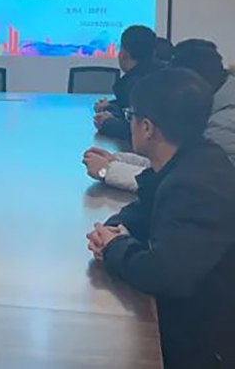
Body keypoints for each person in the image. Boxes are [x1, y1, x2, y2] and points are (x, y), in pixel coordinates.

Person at [86, 68, 235, 369]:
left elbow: (164, 274)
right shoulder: (193, 158)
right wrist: (114, 228)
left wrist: (115, 247)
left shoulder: (195, 185)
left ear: (147, 128)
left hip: (204, 342)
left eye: (131, 116)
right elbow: (147, 206)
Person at [83, 40, 235, 191]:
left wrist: (108, 171)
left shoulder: (224, 123)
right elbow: (174, 164)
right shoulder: (214, 105)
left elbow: (189, 182)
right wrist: (118, 160)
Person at [94, 26, 159, 139]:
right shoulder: (158, 75)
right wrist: (109, 106)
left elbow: (138, 129)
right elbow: (129, 108)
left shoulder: (137, 84)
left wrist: (107, 123)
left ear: (124, 54)